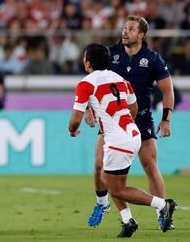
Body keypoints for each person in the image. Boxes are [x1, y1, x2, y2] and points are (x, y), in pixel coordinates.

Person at [69, 43, 176, 237]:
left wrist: (72, 130)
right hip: (132, 133)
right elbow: (133, 107)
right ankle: (128, 221)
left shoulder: (85, 83)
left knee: (116, 189)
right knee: (109, 178)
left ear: (87, 63)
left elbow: (75, 119)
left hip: (118, 140)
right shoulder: (121, 79)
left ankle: (163, 205)